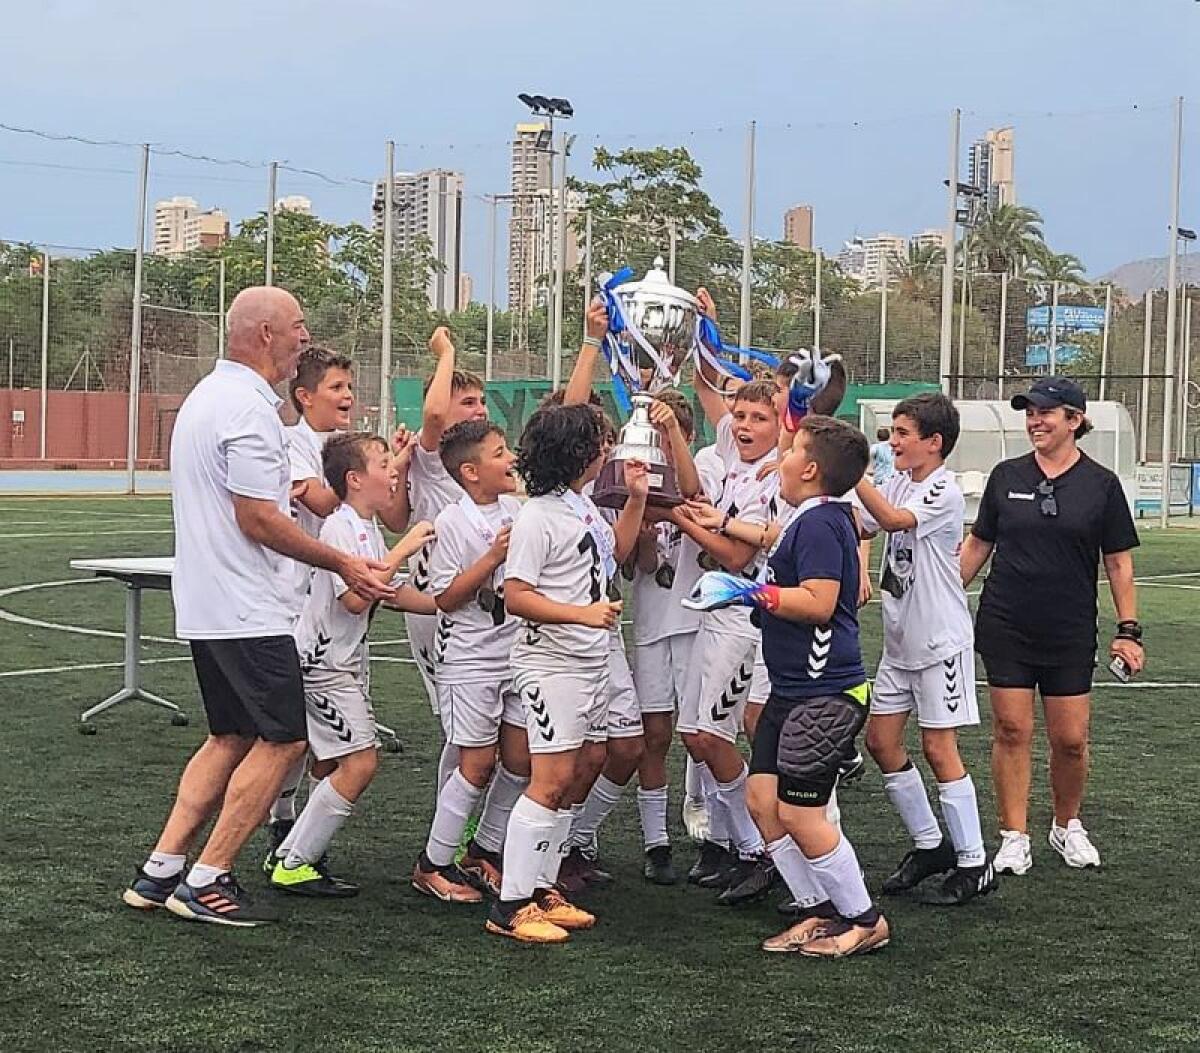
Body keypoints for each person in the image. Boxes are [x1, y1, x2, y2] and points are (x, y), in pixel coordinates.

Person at [122, 287, 395, 928]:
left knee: (230, 736)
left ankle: (160, 870)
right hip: (250, 607)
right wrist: (342, 562)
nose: (305, 338)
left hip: (213, 603)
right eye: (298, 327)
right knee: (283, 739)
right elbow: (259, 519)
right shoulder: (246, 410)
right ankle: (208, 877)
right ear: (267, 334)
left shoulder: (207, 399)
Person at [690, 415, 888, 957]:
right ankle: (818, 910)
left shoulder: (822, 522)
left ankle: (865, 919)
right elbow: (785, 556)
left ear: (812, 468)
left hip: (823, 693)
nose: (781, 456)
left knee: (802, 812)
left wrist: (747, 594)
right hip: (793, 690)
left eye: (792, 448)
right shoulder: (811, 517)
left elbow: (820, 602)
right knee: (762, 801)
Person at [961, 376, 1142, 875]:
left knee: (1071, 739)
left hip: (1068, 628)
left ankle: (1066, 826)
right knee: (1012, 729)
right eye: (1030, 412)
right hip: (1007, 623)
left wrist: (1129, 630)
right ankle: (1013, 835)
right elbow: (979, 544)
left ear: (1075, 420)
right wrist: (943, 594)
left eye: (1045, 412)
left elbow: (1119, 563)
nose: (1035, 421)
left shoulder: (1101, 485)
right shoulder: (1006, 475)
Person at [487, 404, 648, 943]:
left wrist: (638, 499)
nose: (605, 452)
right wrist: (582, 615)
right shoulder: (535, 517)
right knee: (550, 780)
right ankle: (511, 904)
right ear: (574, 452)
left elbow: (616, 552)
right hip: (552, 665)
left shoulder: (578, 506)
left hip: (589, 661)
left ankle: (541, 887)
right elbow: (516, 596)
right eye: (597, 444)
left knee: (576, 775)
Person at [264, 346, 413, 869]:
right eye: (335, 388)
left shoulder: (355, 491)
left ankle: (297, 845)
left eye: (350, 387)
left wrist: (390, 466)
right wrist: (369, 472)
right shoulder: (293, 447)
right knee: (299, 741)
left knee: (326, 748)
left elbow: (378, 514)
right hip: (308, 612)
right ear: (304, 397)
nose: (348, 396)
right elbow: (325, 505)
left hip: (342, 626)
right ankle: (288, 841)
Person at [268, 434, 434, 895]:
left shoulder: (364, 525)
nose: (395, 470)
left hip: (343, 661)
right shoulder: (342, 527)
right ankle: (294, 859)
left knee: (335, 764)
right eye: (385, 463)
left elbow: (390, 593)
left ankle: (289, 852)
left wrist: (450, 603)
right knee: (359, 765)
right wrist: (407, 548)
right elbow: (357, 598)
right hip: (324, 664)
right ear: (355, 480)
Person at [854, 393, 995, 905]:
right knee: (881, 743)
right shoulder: (895, 480)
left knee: (939, 748)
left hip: (939, 642)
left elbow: (892, 521)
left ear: (934, 443)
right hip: (899, 643)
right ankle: (930, 844)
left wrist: (853, 474)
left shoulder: (943, 491)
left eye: (903, 434)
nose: (893, 442)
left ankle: (975, 861)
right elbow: (864, 522)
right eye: (892, 432)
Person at [411, 420, 526, 903]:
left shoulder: (519, 509)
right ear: (470, 471)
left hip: (517, 654)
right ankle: (432, 864)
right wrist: (492, 559)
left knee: (521, 762)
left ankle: (485, 851)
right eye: (500, 453)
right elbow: (445, 597)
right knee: (476, 765)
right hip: (471, 659)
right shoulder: (452, 522)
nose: (511, 459)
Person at [404, 326, 489, 796]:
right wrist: (447, 353)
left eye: (481, 401)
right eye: (468, 402)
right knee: (463, 732)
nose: (478, 410)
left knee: (484, 733)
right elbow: (434, 414)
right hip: (437, 610)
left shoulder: (483, 461)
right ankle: (448, 839)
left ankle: (472, 835)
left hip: (480, 609)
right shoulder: (434, 459)